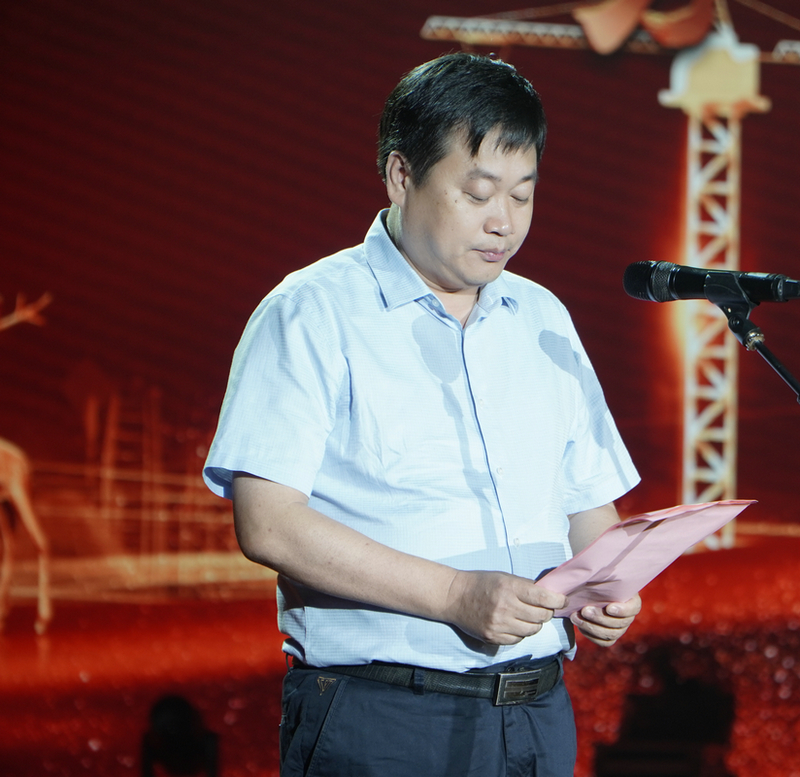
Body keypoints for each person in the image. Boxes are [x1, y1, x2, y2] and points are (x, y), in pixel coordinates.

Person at [203, 52, 642, 777]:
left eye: (523, 195)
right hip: (384, 715)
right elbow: (268, 522)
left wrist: (607, 588)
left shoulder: (543, 318)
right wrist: (455, 594)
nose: (503, 222)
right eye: (478, 193)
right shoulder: (311, 311)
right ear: (401, 175)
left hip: (535, 713)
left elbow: (585, 500)